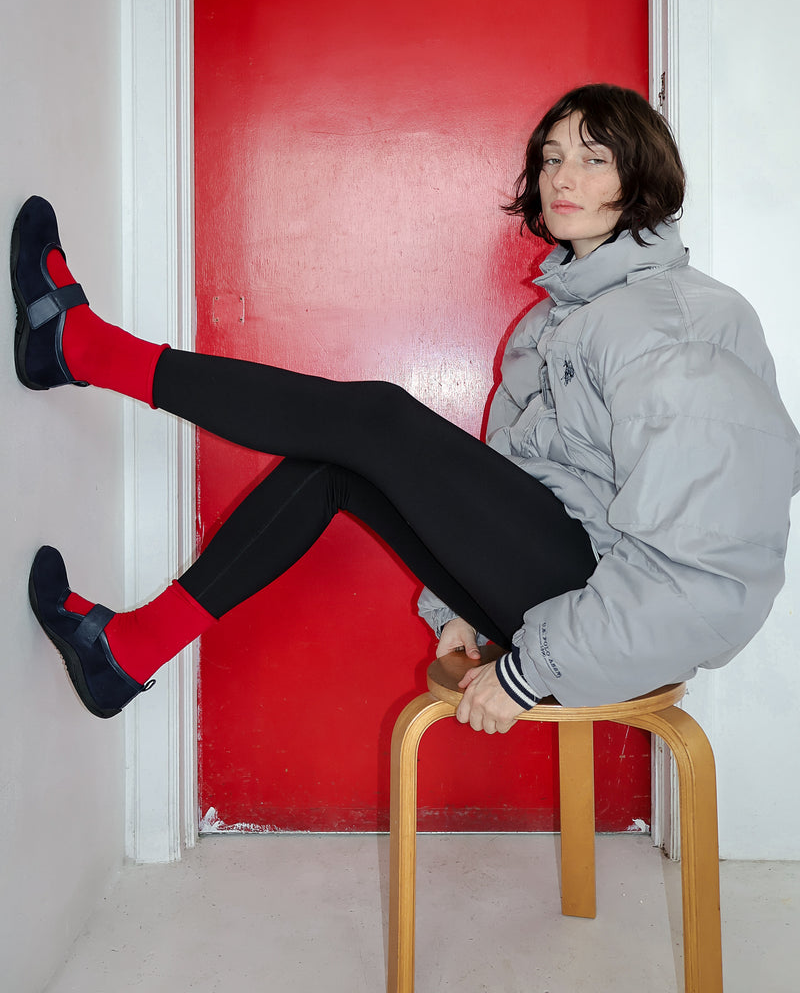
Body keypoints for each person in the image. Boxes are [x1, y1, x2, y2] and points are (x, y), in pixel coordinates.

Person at [13, 84, 800, 735]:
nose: (564, 178)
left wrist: (532, 672)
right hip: (572, 583)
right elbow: (512, 483)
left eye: (595, 161)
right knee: (337, 465)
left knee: (377, 418)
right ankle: (129, 651)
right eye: (553, 158)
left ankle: (84, 349)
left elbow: (704, 564)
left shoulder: (679, 322)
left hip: (630, 623)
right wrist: (459, 602)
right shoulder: (552, 323)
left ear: (643, 181)